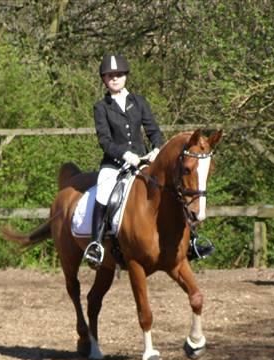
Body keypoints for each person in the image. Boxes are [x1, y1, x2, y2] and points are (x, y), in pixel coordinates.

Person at [83, 53, 214, 269]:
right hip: (115, 164)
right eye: (110, 75)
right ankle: (96, 244)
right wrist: (124, 154)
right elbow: (104, 141)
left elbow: (153, 130)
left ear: (125, 76)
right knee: (104, 192)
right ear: (104, 79)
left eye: (118, 74)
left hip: (143, 161)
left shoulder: (139, 102)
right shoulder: (101, 107)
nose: (114, 78)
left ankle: (191, 241)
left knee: (172, 190)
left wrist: (156, 149)